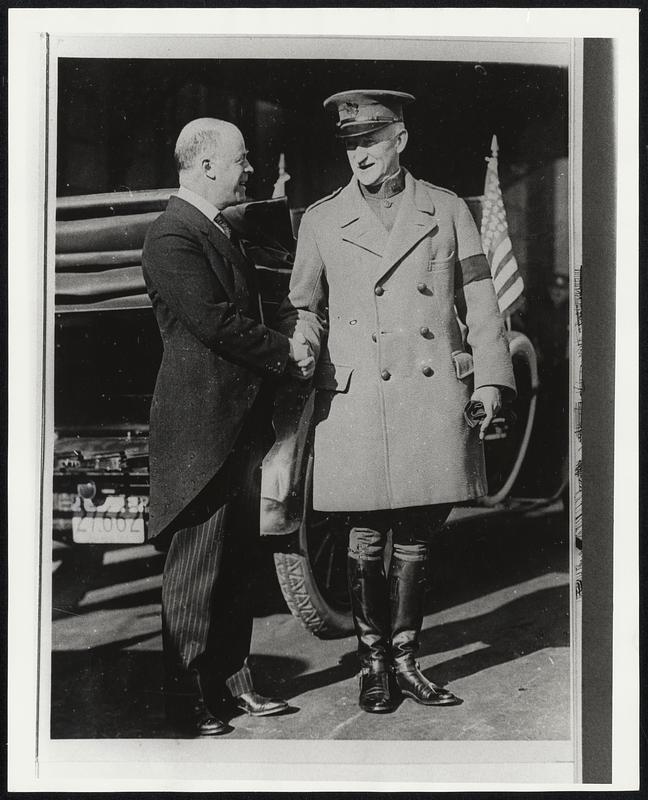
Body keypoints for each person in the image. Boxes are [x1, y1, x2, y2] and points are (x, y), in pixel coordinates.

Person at [278, 90, 516, 714]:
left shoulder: (446, 209)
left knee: (417, 531)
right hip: (356, 398)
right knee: (363, 532)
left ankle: (407, 659)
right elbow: (304, 304)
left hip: (430, 388)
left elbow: (481, 300)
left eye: (371, 141)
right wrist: (303, 341)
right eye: (351, 144)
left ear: (400, 141)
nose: (359, 154)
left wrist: (491, 378)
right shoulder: (322, 219)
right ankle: (373, 662)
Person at [142, 118, 313, 735]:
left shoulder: (217, 230)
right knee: (196, 568)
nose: (250, 172)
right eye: (242, 161)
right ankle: (186, 697)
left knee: (238, 562)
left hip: (235, 427)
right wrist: (286, 352)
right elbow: (213, 322)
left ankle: (234, 683)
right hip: (200, 433)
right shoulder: (171, 235)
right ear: (207, 165)